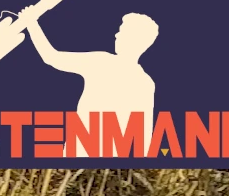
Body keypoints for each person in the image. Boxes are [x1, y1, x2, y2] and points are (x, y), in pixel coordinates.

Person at [25, 12, 160, 158]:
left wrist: (31, 23)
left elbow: (52, 57)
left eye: (122, 32)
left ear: (134, 40)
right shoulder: (145, 83)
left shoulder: (101, 62)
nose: (117, 35)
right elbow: (145, 134)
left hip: (80, 150)